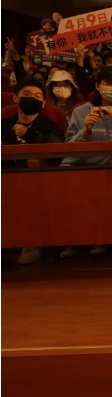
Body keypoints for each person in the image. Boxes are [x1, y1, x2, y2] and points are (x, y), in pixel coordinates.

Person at [60, 66, 112, 257]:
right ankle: (71, 240)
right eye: (108, 84)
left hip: (110, 170)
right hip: (79, 168)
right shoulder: (81, 112)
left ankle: (100, 237)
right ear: (97, 86)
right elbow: (68, 147)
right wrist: (85, 131)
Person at [2, 79, 64, 265]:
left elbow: (55, 151)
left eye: (38, 96)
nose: (32, 99)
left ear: (43, 103)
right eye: (27, 95)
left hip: (36, 179)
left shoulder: (49, 126)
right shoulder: (3, 125)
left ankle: (32, 243)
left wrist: (28, 135)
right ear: (16, 98)